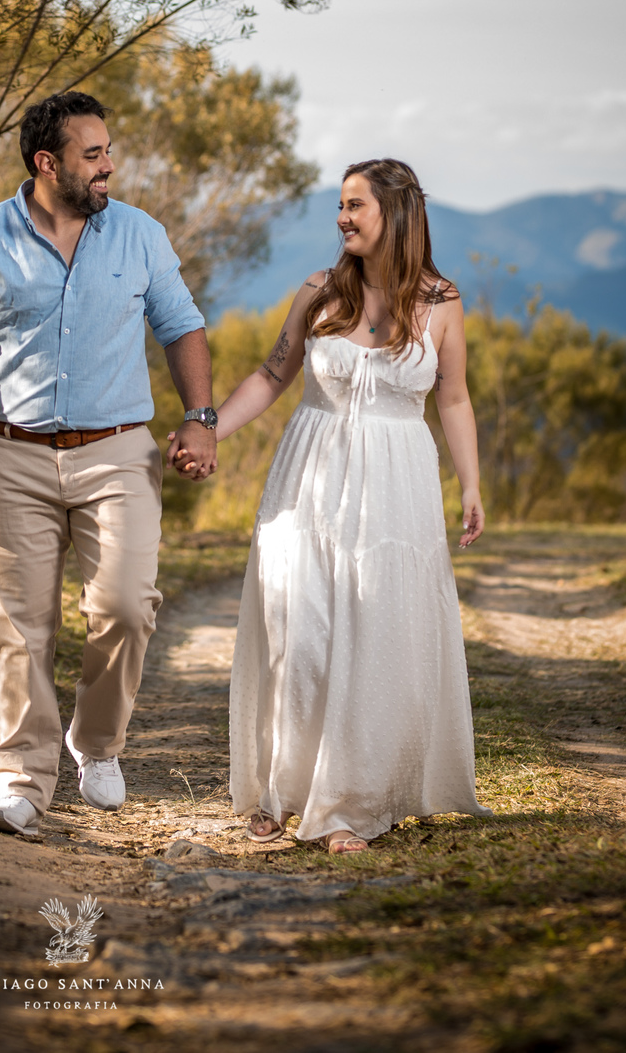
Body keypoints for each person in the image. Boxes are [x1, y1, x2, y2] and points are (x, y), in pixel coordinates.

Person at [0, 90, 219, 836]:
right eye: (94, 154)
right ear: (48, 163)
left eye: (109, 151)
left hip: (117, 452)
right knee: (20, 627)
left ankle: (97, 742)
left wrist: (200, 419)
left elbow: (181, 327)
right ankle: (22, 778)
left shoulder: (140, 235)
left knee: (124, 606)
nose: (109, 165)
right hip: (8, 456)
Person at [169, 157, 490, 854]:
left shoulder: (441, 302)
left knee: (377, 641)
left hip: (395, 491)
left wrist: (469, 486)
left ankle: (349, 805)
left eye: (356, 206)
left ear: (396, 214)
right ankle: (281, 790)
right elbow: (270, 374)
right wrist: (208, 429)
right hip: (308, 480)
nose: (343, 218)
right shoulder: (319, 293)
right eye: (340, 206)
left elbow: (455, 398)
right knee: (300, 633)